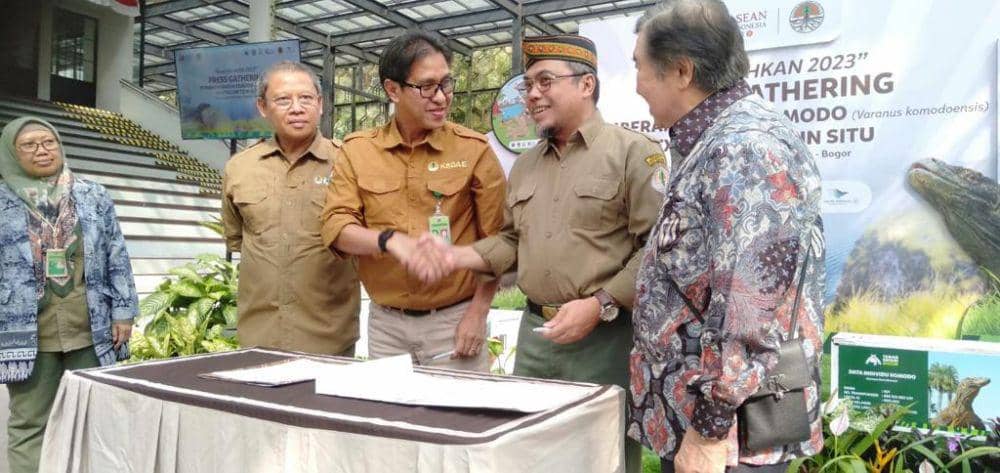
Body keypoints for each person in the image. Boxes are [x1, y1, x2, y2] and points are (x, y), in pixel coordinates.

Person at [409, 34, 667, 473]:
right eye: (528, 85)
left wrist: (600, 304)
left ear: (586, 85)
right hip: (535, 339)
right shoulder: (526, 165)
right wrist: (456, 257)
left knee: (599, 457)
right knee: (531, 454)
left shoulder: (633, 155)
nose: (531, 95)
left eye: (544, 82)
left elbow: (658, 251)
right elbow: (511, 241)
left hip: (603, 340)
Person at [629, 1, 826, 472]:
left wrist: (711, 430)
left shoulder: (744, 149)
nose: (635, 85)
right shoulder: (712, 140)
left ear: (681, 71)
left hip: (731, 441)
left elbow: (754, 313)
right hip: (707, 427)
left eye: (638, 67)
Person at [320, 32, 506, 371]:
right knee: (389, 421)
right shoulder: (358, 150)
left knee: (456, 421)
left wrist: (478, 314)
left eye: (446, 84)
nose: (441, 98)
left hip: (453, 322)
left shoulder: (473, 150)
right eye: (426, 87)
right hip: (386, 326)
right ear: (393, 90)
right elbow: (336, 228)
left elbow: (498, 242)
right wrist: (389, 241)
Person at [0, 117, 138, 473]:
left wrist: (123, 310)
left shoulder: (93, 194)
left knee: (98, 416)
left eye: (48, 142)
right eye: (29, 145)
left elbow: (115, 252)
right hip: (30, 330)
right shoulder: (3, 202)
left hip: (90, 323)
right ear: (12, 154)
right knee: (29, 422)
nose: (42, 150)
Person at [222, 61, 361, 356]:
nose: (296, 108)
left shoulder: (349, 163)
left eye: (306, 98)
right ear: (263, 107)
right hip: (259, 337)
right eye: (283, 100)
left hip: (329, 338)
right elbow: (238, 239)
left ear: (320, 104)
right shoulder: (240, 168)